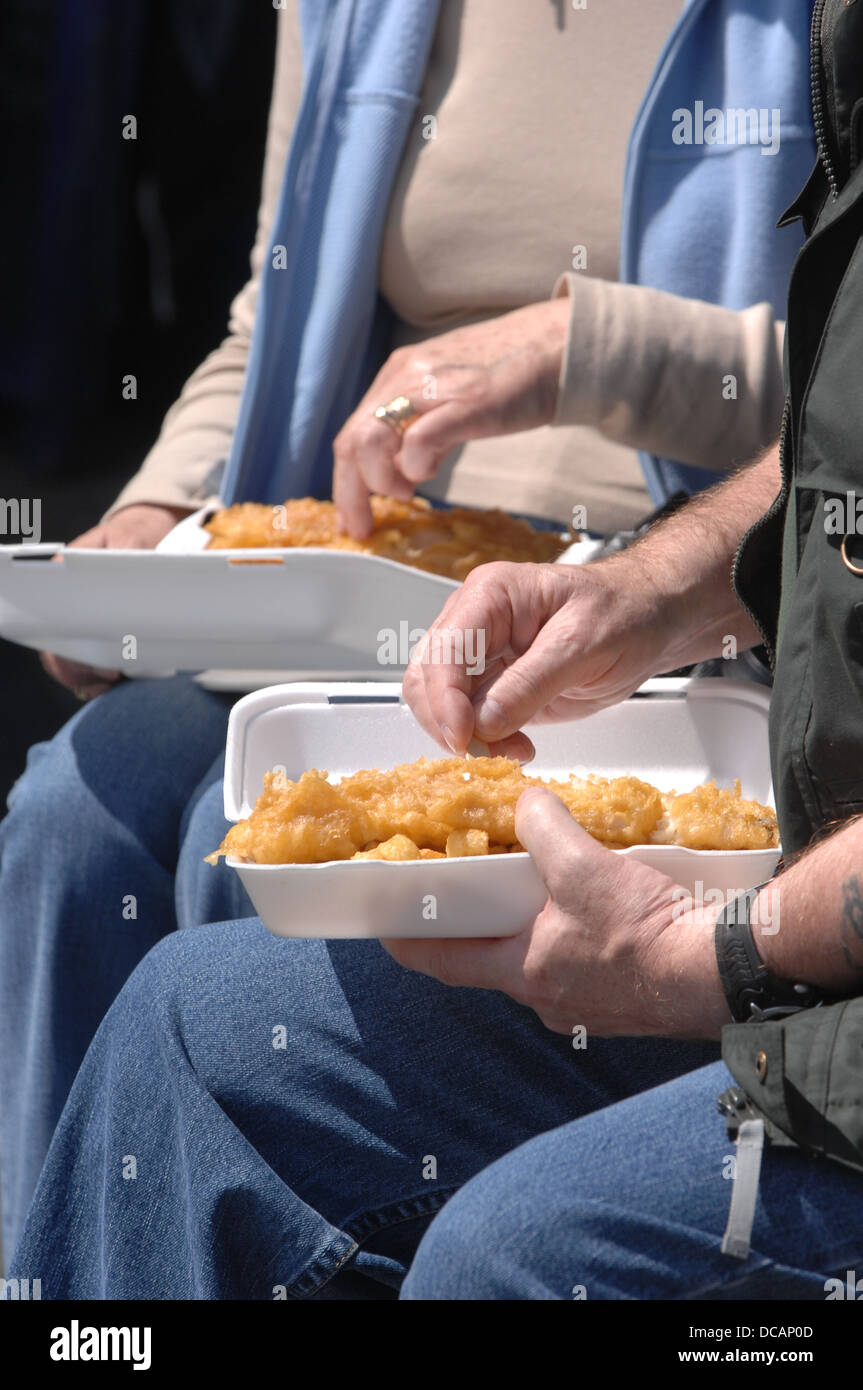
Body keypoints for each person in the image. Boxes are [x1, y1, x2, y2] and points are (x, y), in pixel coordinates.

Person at [10, 0, 863, 1298]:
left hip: (660, 607)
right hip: (382, 586)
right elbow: (274, 308)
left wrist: (593, 350)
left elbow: (824, 398)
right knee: (76, 811)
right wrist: (164, 512)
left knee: (235, 863)